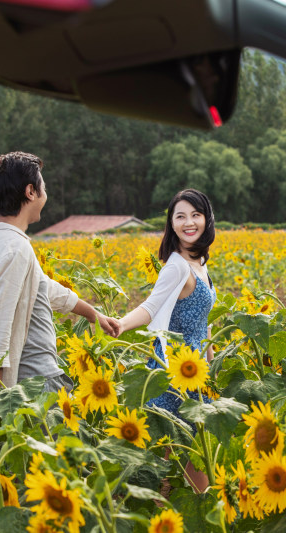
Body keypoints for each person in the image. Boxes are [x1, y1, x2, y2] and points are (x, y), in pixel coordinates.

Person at [0, 152, 121, 393]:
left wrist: (92, 314)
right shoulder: (15, 248)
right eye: (44, 188)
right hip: (34, 382)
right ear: (31, 192)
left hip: (33, 377)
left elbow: (43, 286)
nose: (45, 196)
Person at [117, 188, 217, 492]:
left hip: (198, 377)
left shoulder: (200, 264)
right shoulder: (176, 266)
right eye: (181, 216)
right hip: (172, 375)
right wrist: (119, 325)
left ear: (206, 219)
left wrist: (212, 371)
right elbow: (150, 307)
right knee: (164, 465)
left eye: (196, 215)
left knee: (199, 460)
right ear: (172, 224)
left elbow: (206, 324)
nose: (189, 222)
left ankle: (199, 520)